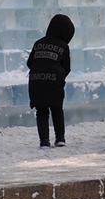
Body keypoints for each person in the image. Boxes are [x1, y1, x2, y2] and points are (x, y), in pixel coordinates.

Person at [27, 14, 74, 149]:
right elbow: (67, 67)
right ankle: (60, 138)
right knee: (57, 108)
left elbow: (30, 62)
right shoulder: (63, 46)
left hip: (35, 81)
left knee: (41, 111)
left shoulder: (38, 43)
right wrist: (59, 76)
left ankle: (44, 141)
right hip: (54, 81)